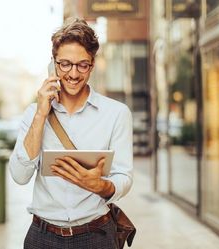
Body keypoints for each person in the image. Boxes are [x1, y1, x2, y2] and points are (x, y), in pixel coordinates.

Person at [9, 17, 133, 249]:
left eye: (82, 65)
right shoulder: (34, 114)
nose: (73, 74)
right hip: (42, 236)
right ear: (53, 64)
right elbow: (19, 175)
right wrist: (40, 115)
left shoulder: (116, 113)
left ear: (92, 65)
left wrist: (100, 186)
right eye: (65, 64)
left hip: (96, 235)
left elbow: (124, 177)